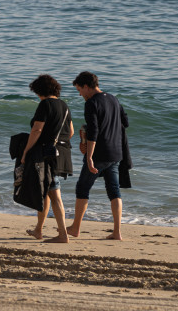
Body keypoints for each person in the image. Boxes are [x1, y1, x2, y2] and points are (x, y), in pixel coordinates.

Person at [67, 71, 129, 240]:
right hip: (116, 152)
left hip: (99, 154)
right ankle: (117, 232)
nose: (80, 94)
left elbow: (94, 131)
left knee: (82, 188)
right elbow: (125, 122)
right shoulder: (113, 99)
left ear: (86, 87)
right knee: (114, 191)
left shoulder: (91, 103)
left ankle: (75, 228)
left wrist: (89, 157)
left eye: (79, 90)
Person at [19, 74, 74, 243]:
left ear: (40, 90)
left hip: (47, 155)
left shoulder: (45, 104)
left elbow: (37, 130)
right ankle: (38, 230)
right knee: (47, 192)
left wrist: (26, 152)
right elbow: (70, 132)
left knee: (54, 192)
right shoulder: (64, 105)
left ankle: (63, 235)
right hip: (62, 152)